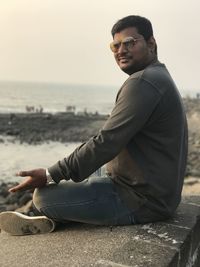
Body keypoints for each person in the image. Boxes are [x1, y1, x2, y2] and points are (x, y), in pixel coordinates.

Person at [0, 15, 188, 235]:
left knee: (43, 197)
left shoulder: (143, 82)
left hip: (143, 201)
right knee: (95, 168)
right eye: (115, 46)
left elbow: (106, 141)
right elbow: (108, 144)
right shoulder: (157, 75)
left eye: (129, 42)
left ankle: (50, 213)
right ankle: (61, 213)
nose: (121, 50)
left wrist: (50, 174)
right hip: (159, 192)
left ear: (151, 43)